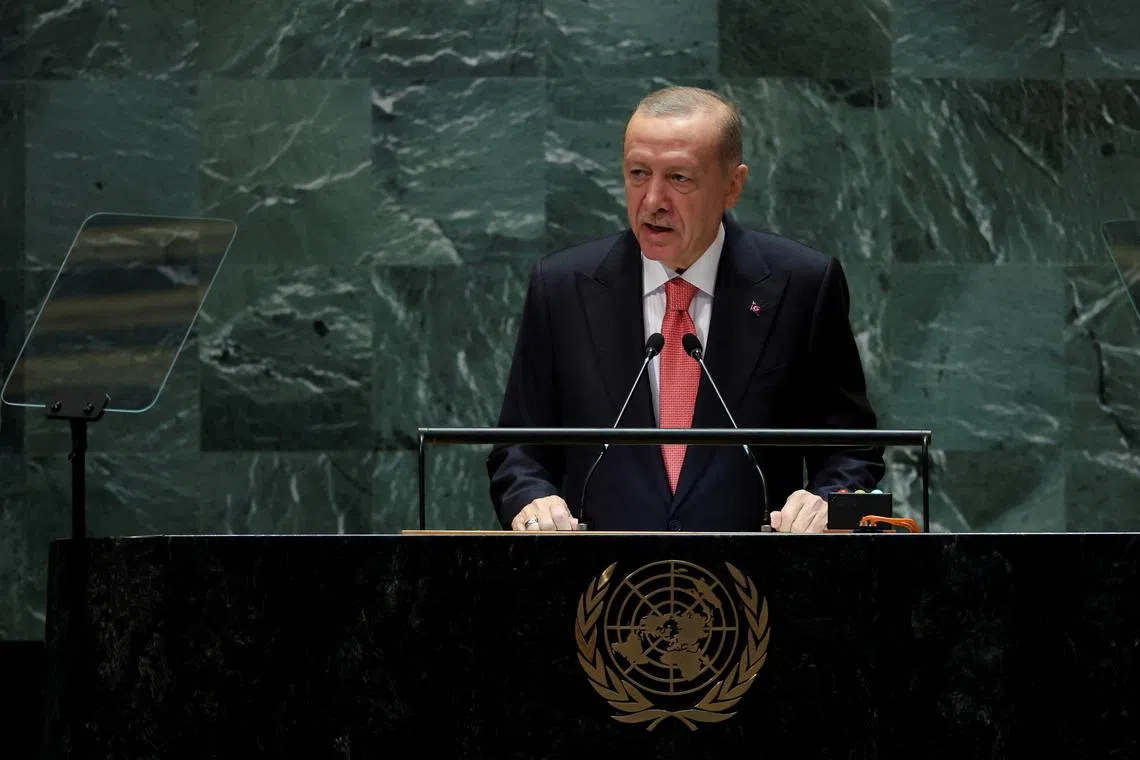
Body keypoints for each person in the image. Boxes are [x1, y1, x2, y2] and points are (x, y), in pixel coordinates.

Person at [486, 86, 883, 534]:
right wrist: (532, 499)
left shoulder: (802, 285)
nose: (652, 200)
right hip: (603, 588)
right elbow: (518, 449)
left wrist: (827, 502)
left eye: (679, 178)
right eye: (638, 173)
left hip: (755, 586)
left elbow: (852, 448)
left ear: (733, 185)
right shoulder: (561, 288)